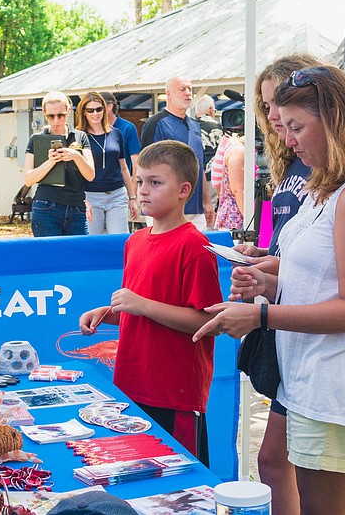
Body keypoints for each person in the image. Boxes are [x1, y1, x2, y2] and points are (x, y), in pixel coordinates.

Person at [195, 66, 345, 515]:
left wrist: (259, 316)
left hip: (337, 384)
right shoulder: (328, 186)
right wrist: (272, 279)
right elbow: (324, 276)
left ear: (334, 119)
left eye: (297, 127)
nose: (288, 140)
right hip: (317, 379)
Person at [79, 141, 222, 465]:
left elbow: (207, 322)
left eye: (155, 182)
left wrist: (141, 305)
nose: (143, 190)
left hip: (175, 394)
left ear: (185, 189)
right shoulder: (135, 241)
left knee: (180, 488)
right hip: (132, 384)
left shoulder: (194, 245)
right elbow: (142, 309)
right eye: (140, 181)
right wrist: (108, 314)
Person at [235, 52, 326, 515]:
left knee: (280, 463)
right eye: (269, 107)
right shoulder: (292, 164)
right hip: (297, 337)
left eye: (289, 114)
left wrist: (261, 308)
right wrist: (265, 265)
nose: (274, 120)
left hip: (323, 350)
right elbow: (298, 256)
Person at [140, 76, 215, 229]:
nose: (188, 93)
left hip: (195, 209)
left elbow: (198, 166)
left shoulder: (195, 125)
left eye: (190, 89)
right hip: (165, 208)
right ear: (168, 94)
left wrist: (207, 202)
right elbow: (145, 168)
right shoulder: (155, 124)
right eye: (182, 89)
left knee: (198, 251)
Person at [23, 91, 95, 236]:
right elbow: (28, 179)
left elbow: (90, 175)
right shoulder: (37, 139)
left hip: (76, 207)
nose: (56, 120)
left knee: (78, 256)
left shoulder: (80, 137)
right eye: (51, 116)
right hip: (46, 205)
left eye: (61, 115)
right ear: (44, 114)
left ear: (68, 112)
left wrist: (75, 156)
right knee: (49, 257)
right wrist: (51, 162)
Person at [76, 92, 137, 234]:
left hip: (116, 195)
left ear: (105, 109)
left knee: (119, 242)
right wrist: (83, 200)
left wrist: (132, 197)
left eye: (99, 109)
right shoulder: (78, 136)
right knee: (92, 244)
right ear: (83, 112)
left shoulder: (116, 133)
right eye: (90, 110)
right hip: (90, 195)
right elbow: (75, 174)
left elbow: (123, 168)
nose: (95, 114)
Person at [213, 133, 244, 230]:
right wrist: (252, 222)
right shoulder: (238, 150)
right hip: (235, 220)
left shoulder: (233, 146)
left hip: (233, 217)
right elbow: (239, 190)